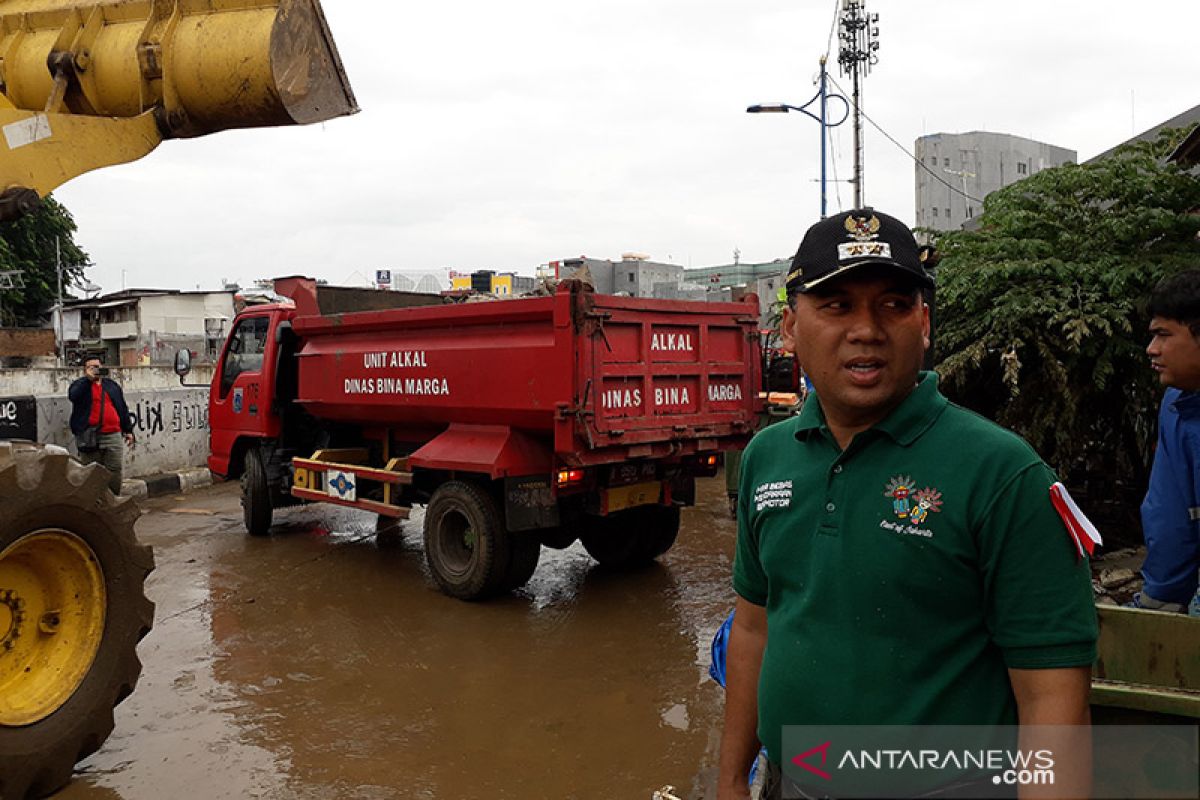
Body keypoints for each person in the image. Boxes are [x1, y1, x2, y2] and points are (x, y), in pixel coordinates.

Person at [716, 209, 1098, 800]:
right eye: (837, 305)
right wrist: (730, 780)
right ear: (790, 327)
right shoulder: (768, 457)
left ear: (923, 324)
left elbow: (1052, 696)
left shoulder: (1002, 474)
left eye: (893, 305)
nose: (866, 329)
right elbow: (753, 629)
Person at [1130, 269, 1200, 615]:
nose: (1151, 349)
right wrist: (1158, 611)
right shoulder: (1177, 405)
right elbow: (1172, 517)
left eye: (1163, 335)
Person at [68, 357, 135, 494]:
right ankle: (94, 501)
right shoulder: (80, 385)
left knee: (114, 469)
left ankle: (112, 498)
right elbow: (73, 396)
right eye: (91, 367)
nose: (95, 370)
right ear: (85, 370)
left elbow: (121, 407)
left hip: (112, 433)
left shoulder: (111, 386)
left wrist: (128, 430)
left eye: (97, 367)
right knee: (91, 471)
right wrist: (88, 380)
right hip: (89, 435)